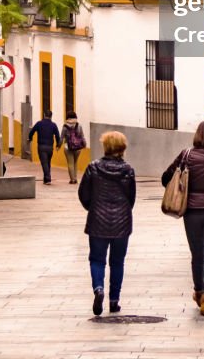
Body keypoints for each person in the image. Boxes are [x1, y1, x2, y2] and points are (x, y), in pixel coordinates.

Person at [161, 120, 204, 317]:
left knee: (197, 254)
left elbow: (165, 177)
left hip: (191, 210)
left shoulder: (187, 154)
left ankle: (199, 290)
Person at [78, 131, 136, 316]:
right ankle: (114, 301)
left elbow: (83, 193)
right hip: (122, 222)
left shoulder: (93, 167)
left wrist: (93, 208)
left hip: (97, 221)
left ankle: (98, 289)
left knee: (97, 259)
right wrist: (123, 211)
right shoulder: (128, 170)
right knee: (117, 262)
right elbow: (131, 198)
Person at [28, 109, 61, 185]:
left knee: (44, 163)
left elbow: (32, 132)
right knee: (47, 162)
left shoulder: (39, 124)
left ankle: (48, 178)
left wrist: (30, 138)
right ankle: (45, 179)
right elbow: (57, 136)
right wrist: (58, 145)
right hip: (50, 147)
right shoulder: (53, 125)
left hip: (41, 146)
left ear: (44, 115)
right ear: (51, 116)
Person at [59, 110, 87, 184]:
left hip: (68, 147)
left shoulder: (65, 126)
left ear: (67, 117)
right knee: (75, 162)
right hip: (78, 147)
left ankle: (72, 179)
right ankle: (75, 178)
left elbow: (61, 137)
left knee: (70, 163)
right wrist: (84, 144)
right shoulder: (79, 125)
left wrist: (58, 145)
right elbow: (82, 136)